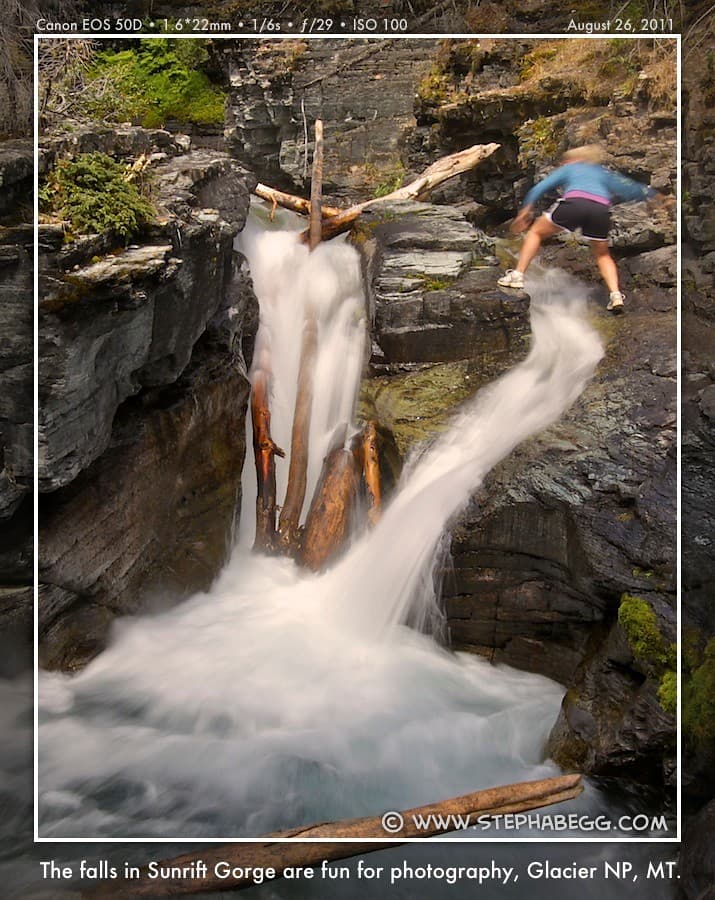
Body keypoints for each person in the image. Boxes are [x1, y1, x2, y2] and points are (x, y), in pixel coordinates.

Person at [497, 145, 664, 313]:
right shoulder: (602, 172)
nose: (563, 164)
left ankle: (517, 275)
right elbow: (631, 187)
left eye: (565, 161)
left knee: (536, 232)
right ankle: (615, 295)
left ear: (574, 159)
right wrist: (656, 196)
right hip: (600, 209)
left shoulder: (571, 167)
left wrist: (526, 210)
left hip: (575, 203)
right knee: (603, 255)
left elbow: (541, 187)